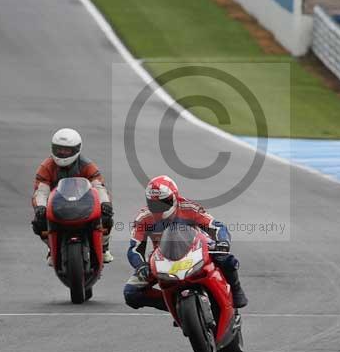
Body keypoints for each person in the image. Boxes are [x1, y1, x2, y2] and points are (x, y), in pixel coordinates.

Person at [123, 175, 248, 311]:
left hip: (196, 251)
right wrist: (141, 266)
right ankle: (176, 307)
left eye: (163, 203)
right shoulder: (144, 218)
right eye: (154, 204)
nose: (159, 208)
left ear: (175, 198)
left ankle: (236, 292)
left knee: (226, 259)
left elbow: (217, 226)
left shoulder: (189, 208)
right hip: (163, 259)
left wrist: (222, 242)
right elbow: (134, 248)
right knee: (131, 293)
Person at [31, 128, 114, 265]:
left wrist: (105, 203)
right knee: (38, 223)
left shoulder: (87, 165)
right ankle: (52, 247)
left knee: (106, 217)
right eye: (59, 149)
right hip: (57, 205)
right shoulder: (46, 166)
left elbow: (98, 186)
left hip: (84, 204)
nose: (63, 153)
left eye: (67, 150)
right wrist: (41, 207)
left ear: (76, 150)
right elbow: (41, 190)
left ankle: (104, 247)